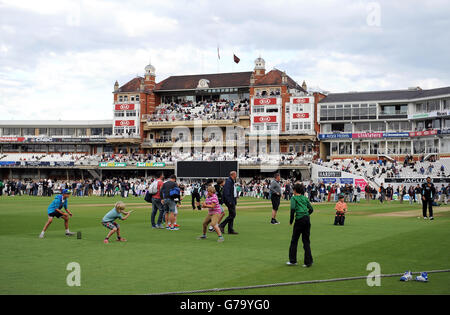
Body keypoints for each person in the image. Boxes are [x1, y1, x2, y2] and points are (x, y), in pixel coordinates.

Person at [286, 183, 313, 267]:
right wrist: (307, 215)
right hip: (307, 219)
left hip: (299, 220)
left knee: (294, 240)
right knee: (306, 241)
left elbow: (292, 210)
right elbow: (311, 209)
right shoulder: (305, 198)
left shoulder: (294, 198)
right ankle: (308, 262)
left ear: (295, 190)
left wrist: (291, 221)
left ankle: (293, 260)